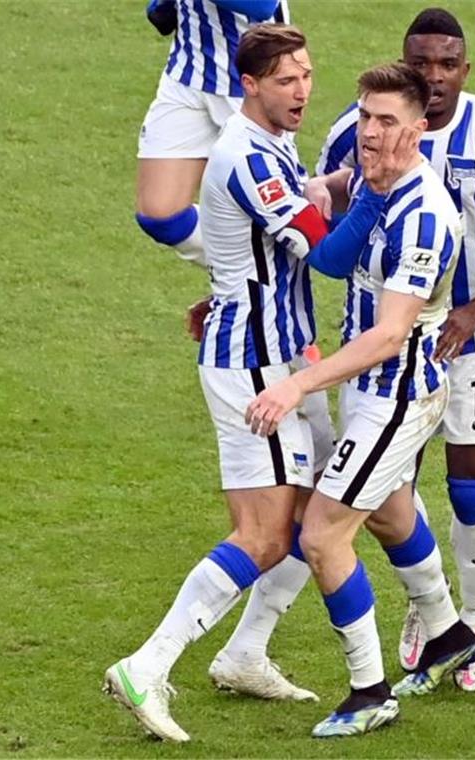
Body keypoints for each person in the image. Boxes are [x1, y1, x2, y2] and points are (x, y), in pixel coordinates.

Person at [215, 6, 475, 695]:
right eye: (420, 63)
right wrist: (240, 287)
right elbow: (321, 234)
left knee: (465, 490)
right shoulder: (358, 126)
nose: (433, 76)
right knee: (379, 497)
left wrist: (472, 310)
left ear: (466, 68)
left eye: (446, 64)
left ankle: (472, 620)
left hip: (472, 339)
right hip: (382, 353)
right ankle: (434, 623)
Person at [102, 24, 413, 743]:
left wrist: (336, 186)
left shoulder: (268, 144)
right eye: (285, 80)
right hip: (253, 366)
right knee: (268, 533)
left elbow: (268, 234)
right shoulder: (249, 156)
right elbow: (330, 256)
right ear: (249, 86)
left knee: (316, 515)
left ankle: (244, 652)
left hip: (278, 352)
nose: (302, 90)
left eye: (306, 74)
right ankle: (147, 666)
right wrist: (376, 188)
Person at [245, 62, 475, 737]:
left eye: (386, 122)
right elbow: (330, 263)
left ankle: (368, 690)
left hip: (397, 396)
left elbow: (386, 336)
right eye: (364, 117)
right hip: (373, 393)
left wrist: (295, 383)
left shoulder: (425, 217)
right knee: (386, 514)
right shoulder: (380, 189)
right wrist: (360, 191)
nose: (369, 132)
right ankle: (446, 636)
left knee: (322, 535)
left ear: (418, 128)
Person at [134, 0, 290, 266]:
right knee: (160, 215)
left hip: (250, 84)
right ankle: (251, 273)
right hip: (187, 75)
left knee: (278, 216)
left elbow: (262, 5)